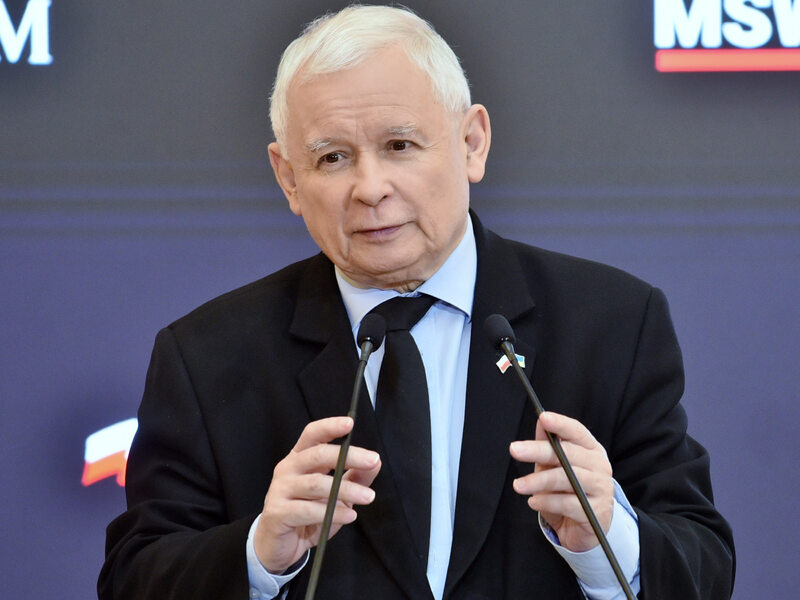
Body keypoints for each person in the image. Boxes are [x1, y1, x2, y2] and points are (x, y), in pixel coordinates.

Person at [99, 5, 734, 600]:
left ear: (472, 143)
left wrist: (608, 538)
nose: (370, 188)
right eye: (333, 158)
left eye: (399, 146)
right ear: (289, 178)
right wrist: (259, 555)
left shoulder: (613, 323)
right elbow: (135, 577)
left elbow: (703, 563)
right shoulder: (207, 355)